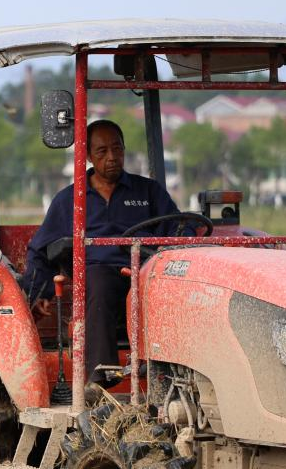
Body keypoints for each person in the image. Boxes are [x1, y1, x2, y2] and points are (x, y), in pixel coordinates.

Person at [20, 119, 181, 386]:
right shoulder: (69, 199)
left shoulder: (148, 192)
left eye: (117, 149)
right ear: (87, 156)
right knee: (99, 281)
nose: (112, 158)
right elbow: (40, 249)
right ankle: (100, 379)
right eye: (102, 152)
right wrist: (40, 293)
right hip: (100, 277)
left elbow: (177, 228)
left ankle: (176, 378)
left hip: (146, 273)